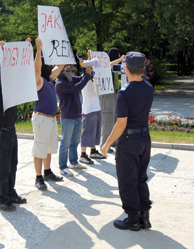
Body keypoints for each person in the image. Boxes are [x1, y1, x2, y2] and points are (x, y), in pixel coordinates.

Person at [101, 51, 154, 231]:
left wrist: (107, 143)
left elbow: (121, 124)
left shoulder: (124, 93)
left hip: (129, 141)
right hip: (145, 138)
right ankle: (144, 217)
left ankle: (132, 219)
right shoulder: (149, 87)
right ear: (143, 68)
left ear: (126, 68)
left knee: (127, 180)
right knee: (141, 178)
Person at [0, 39, 29, 211]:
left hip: (10, 128)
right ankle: (1, 198)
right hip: (1, 130)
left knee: (12, 163)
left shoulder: (11, 85)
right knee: (3, 165)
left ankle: (10, 192)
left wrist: (23, 50)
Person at [32, 38, 64, 190]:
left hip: (50, 120)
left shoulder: (50, 79)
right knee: (40, 148)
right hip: (42, 118)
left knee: (49, 147)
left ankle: (47, 172)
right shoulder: (39, 81)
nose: (51, 66)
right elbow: (37, 69)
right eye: (49, 64)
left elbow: (61, 66)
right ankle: (38, 177)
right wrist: (38, 50)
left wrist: (64, 52)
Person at [55, 60, 93, 177]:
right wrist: (87, 74)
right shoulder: (60, 83)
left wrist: (84, 68)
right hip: (68, 117)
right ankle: (63, 166)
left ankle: (74, 162)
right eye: (65, 66)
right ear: (59, 69)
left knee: (75, 142)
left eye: (69, 66)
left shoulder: (70, 78)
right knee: (65, 143)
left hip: (77, 116)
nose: (69, 68)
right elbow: (78, 87)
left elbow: (81, 79)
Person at [79, 49, 107, 165]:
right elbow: (89, 66)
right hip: (88, 109)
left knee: (95, 131)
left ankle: (93, 150)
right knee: (87, 132)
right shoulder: (83, 78)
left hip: (96, 107)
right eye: (89, 67)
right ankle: (83, 154)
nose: (92, 68)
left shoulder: (94, 77)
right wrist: (90, 56)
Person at [100, 47, 124, 153]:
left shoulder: (114, 66)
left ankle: (112, 141)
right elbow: (108, 65)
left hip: (114, 92)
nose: (119, 57)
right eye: (118, 55)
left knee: (114, 117)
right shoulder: (105, 65)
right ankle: (104, 144)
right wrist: (121, 59)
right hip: (107, 94)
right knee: (107, 118)